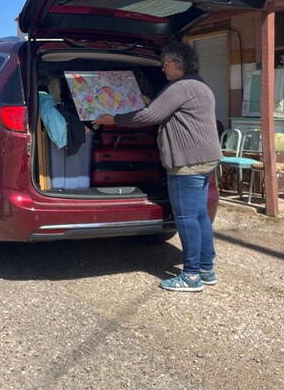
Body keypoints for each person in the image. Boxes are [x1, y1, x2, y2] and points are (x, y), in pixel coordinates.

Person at [92, 41, 221, 292]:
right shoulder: (199, 84)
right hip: (206, 159)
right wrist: (151, 101)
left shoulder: (179, 86)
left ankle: (191, 275)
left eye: (165, 65)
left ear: (176, 64)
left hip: (187, 163)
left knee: (186, 218)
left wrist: (113, 119)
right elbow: (172, 111)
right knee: (200, 215)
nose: (163, 70)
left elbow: (149, 116)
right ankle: (206, 269)